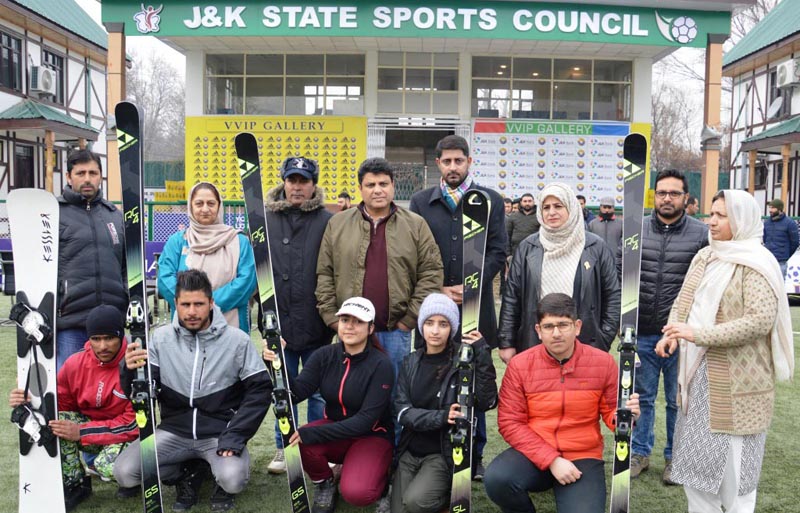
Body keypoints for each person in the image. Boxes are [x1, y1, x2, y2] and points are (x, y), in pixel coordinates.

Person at [656, 189, 794, 513]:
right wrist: (673, 333)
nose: (711, 221)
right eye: (711, 213)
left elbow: (759, 321)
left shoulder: (757, 263)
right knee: (697, 472)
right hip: (698, 380)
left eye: (721, 215)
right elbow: (684, 301)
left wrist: (698, 333)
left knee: (736, 482)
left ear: (742, 220)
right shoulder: (706, 256)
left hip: (740, 389)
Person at [114, 270, 272, 512]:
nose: (191, 311)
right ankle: (187, 472)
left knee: (233, 480)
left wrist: (236, 435)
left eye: (198, 304)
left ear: (211, 303)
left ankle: (216, 473)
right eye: (185, 304)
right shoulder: (160, 339)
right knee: (125, 473)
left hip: (219, 434)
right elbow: (141, 393)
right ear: (175, 303)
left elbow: (260, 391)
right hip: (174, 431)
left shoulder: (237, 340)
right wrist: (128, 369)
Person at [484, 293, 640, 513]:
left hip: (582, 455)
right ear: (538, 331)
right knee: (497, 479)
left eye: (563, 325)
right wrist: (552, 460)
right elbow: (510, 422)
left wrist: (626, 416)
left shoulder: (603, 363)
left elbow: (611, 415)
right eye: (548, 326)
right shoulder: (520, 365)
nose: (556, 333)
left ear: (577, 327)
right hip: (534, 452)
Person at [409, 134, 506, 478]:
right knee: (433, 380)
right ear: (438, 164)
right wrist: (437, 287)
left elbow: (497, 250)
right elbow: (415, 252)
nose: (453, 167)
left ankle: (475, 454)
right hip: (435, 308)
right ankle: (434, 449)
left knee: (474, 381)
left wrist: (472, 286)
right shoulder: (421, 202)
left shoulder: (489, 200)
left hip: (474, 307)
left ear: (469, 161)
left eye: (458, 160)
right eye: (446, 161)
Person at [316, 157, 443, 384]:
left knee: (393, 396)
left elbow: (431, 272)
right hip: (351, 330)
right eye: (370, 185)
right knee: (351, 392)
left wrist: (408, 319)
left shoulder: (415, 225)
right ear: (360, 189)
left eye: (383, 184)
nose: (377, 190)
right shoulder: (338, 224)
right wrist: (333, 320)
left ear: (393, 186)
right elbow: (324, 273)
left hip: (395, 331)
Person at [263, 297, 394, 513]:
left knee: (357, 493)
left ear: (371, 328)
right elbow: (294, 394)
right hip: (337, 430)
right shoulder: (324, 355)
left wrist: (313, 433)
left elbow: (364, 422)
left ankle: (384, 484)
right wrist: (275, 362)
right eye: (345, 319)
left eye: (358, 321)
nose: (350, 326)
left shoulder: (381, 364)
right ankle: (325, 483)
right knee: (296, 440)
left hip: (371, 435)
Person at [9, 305, 139, 511]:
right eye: (96, 339)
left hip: (128, 437)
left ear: (121, 336)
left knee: (108, 466)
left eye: (109, 338)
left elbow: (133, 423)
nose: (103, 346)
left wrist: (82, 432)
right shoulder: (75, 363)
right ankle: (75, 483)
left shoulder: (134, 365)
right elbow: (59, 404)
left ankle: (134, 481)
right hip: (94, 432)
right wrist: (29, 399)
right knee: (57, 421)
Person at [630, 169, 708, 485]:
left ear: (685, 198)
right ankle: (639, 453)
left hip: (683, 336)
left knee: (679, 399)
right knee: (642, 396)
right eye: (661, 192)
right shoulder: (636, 231)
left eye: (674, 193)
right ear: (654, 195)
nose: (666, 198)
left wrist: (689, 327)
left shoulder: (702, 234)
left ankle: (675, 457)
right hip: (644, 331)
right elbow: (623, 272)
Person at [392, 293, 497, 513]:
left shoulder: (463, 360)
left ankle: (446, 500)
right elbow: (402, 411)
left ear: (452, 328)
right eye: (429, 323)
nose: (435, 330)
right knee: (400, 509)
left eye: (443, 324)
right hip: (410, 451)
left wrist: (483, 353)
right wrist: (440, 416)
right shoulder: (411, 361)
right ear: (421, 326)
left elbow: (487, 401)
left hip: (442, 452)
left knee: (415, 502)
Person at [263, 156, 333, 474]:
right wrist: (265, 313)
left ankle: (317, 447)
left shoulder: (328, 220)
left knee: (318, 391)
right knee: (283, 388)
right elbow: (256, 267)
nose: (297, 187)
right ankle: (283, 447)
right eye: (292, 180)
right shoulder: (265, 219)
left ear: (313, 184)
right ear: (284, 182)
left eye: (304, 181)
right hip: (281, 326)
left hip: (317, 324)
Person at [498, 182, 620, 363]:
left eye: (558, 206)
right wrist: (507, 342)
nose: (551, 212)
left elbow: (612, 295)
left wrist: (603, 338)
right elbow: (512, 297)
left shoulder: (595, 246)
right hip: (534, 344)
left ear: (571, 208)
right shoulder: (527, 247)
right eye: (546, 207)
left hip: (585, 346)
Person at [56, 149, 127, 370]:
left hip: (112, 322)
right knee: (68, 393)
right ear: (69, 177)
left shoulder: (114, 215)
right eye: (80, 173)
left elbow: (125, 267)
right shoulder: (53, 213)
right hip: (72, 321)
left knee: (115, 393)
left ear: (100, 176)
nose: (87, 179)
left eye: (93, 173)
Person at [158, 182, 256, 332]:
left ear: (219, 206)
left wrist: (208, 306)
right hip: (186, 329)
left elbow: (246, 282)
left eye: (211, 203)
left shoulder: (238, 241)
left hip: (230, 328)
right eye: (199, 203)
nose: (205, 209)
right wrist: (194, 306)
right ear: (191, 206)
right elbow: (165, 280)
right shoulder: (177, 241)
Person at [763, 198, 799, 277]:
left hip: (781, 262)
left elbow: (795, 242)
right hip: (768, 260)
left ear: (779, 209)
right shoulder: (767, 222)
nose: (770, 210)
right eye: (770, 208)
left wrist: (785, 255)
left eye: (773, 208)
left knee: (780, 286)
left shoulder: (790, 223)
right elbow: (765, 239)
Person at [506, 192, 540, 258]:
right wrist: (508, 254)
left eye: (530, 201)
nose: (527, 203)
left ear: (534, 202)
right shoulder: (513, 216)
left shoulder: (539, 217)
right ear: (521, 203)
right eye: (525, 201)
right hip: (515, 253)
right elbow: (507, 236)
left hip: (534, 253)